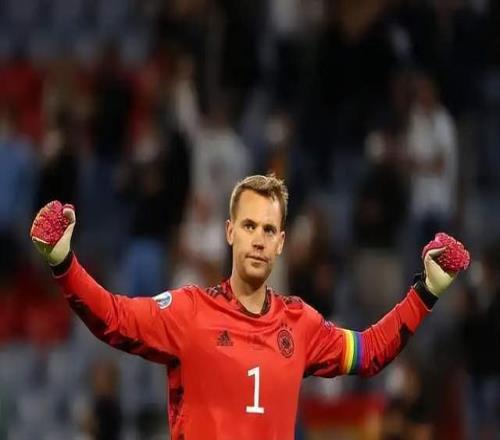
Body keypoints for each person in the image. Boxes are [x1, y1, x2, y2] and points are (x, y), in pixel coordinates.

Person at [30, 174, 467, 440]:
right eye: (249, 226)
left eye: (269, 230)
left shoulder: (302, 324)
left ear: (281, 243)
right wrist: (64, 264)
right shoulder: (189, 312)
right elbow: (113, 317)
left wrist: (426, 291)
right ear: (229, 232)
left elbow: (369, 351)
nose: (258, 239)